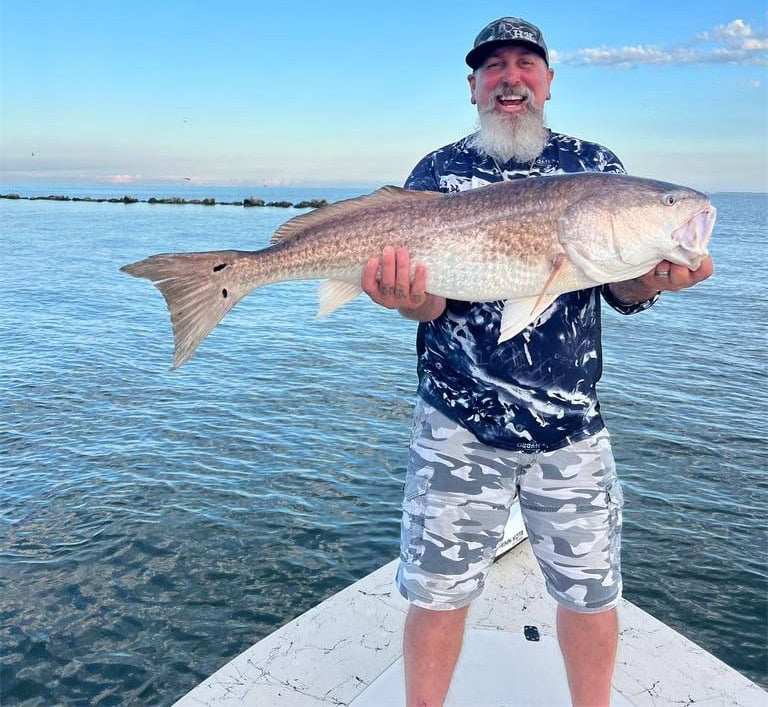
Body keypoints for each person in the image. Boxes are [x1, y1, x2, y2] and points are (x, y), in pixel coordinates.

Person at [361, 15, 714, 707]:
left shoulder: (597, 169)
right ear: (473, 87)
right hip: (456, 422)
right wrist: (406, 300)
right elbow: (430, 308)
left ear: (549, 81)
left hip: (572, 428)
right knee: (436, 593)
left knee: (591, 593)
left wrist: (652, 278)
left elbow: (621, 287)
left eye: (525, 64)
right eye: (494, 67)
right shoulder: (436, 173)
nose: (510, 78)